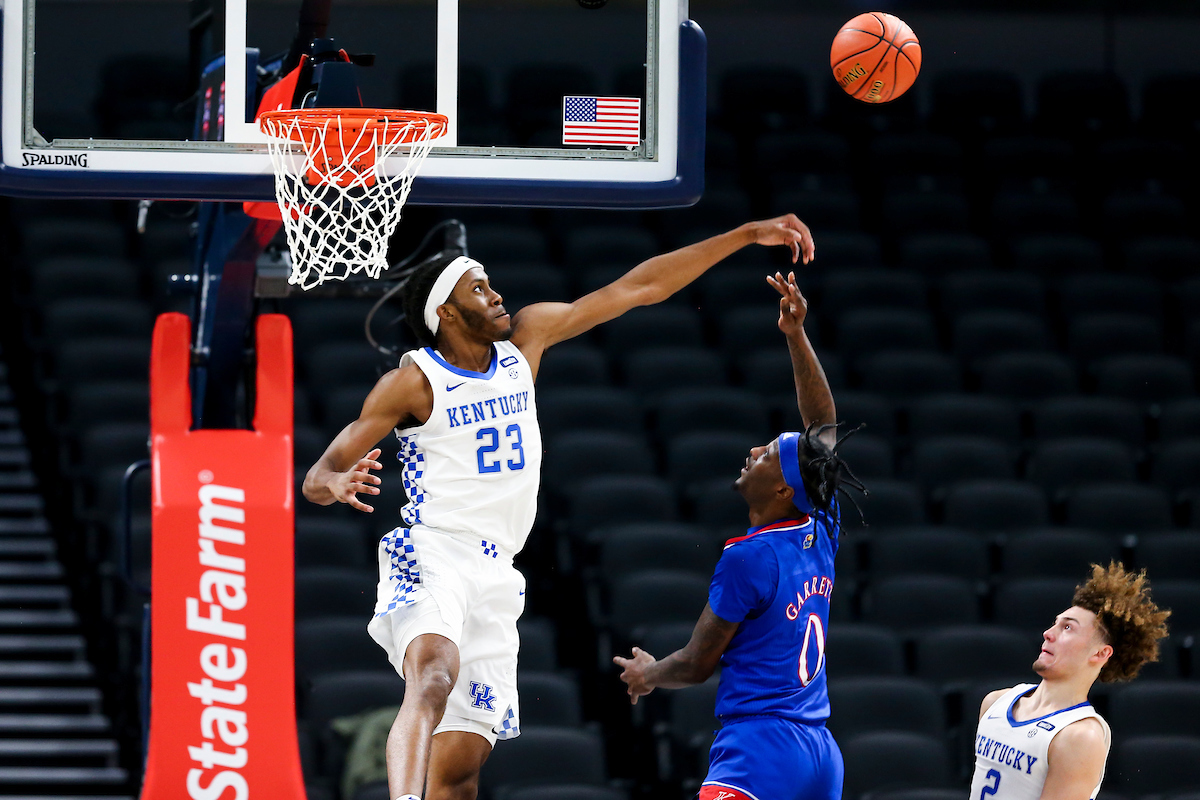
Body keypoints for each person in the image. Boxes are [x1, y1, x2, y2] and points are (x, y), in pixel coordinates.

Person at [301, 215, 815, 800]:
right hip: (434, 547)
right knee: (433, 676)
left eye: (491, 283)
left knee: (462, 773)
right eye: (478, 288)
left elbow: (638, 289)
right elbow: (317, 476)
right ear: (445, 312)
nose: (496, 295)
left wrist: (744, 235)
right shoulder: (415, 381)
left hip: (498, 570)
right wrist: (336, 485)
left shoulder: (526, 340)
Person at [614, 271, 865, 800]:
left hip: (760, 749)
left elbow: (698, 662)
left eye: (769, 453)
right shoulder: (822, 528)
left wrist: (648, 675)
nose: (754, 452)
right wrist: (795, 335)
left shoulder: (749, 558)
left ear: (782, 491)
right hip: (821, 753)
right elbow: (822, 426)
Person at [970, 562, 1170, 800]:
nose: (1049, 632)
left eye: (1067, 627)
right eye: (1055, 623)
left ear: (1100, 653)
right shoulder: (995, 702)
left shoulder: (1080, 736)